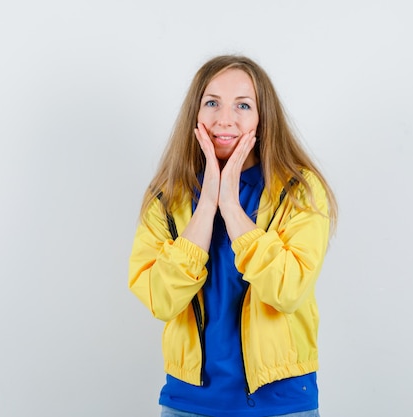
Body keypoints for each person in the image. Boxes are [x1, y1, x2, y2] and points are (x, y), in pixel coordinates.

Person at [128, 54, 338, 417]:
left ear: (262, 117)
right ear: (195, 113)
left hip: (282, 403)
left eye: (243, 105)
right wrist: (207, 204)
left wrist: (232, 206)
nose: (225, 119)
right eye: (212, 103)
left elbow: (288, 290)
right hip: (188, 403)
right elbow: (161, 299)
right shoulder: (167, 197)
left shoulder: (299, 190)